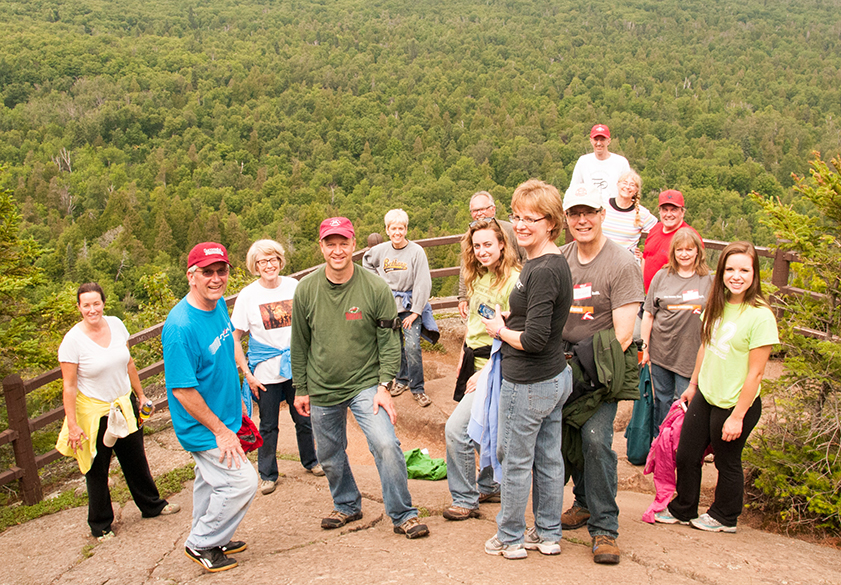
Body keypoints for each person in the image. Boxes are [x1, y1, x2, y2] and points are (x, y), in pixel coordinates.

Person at [291, 217, 429, 539]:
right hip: (322, 386)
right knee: (328, 454)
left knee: (385, 444)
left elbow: (389, 341)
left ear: (354, 245)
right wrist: (301, 388)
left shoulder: (374, 287)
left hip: (366, 383)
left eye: (343, 243)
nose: (337, 250)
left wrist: (384, 385)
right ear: (321, 246)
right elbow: (299, 342)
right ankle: (347, 504)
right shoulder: (306, 290)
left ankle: (403, 513)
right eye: (330, 243)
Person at [479, 179, 573, 559]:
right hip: (554, 377)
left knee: (514, 460)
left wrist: (500, 330)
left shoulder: (542, 269)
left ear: (551, 222)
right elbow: (541, 319)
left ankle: (511, 536)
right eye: (516, 216)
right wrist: (512, 315)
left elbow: (533, 339)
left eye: (530, 218)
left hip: (528, 380)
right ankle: (548, 534)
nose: (519, 225)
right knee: (549, 458)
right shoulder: (551, 262)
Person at [656, 241, 779, 533]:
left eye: (744, 270)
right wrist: (693, 384)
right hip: (707, 394)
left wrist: (738, 415)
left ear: (754, 274)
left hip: (735, 401)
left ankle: (725, 515)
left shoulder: (760, 315)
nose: (736, 276)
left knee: (727, 461)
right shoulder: (717, 304)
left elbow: (757, 373)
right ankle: (684, 507)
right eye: (730, 269)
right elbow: (705, 347)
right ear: (721, 271)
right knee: (686, 454)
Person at [560, 183, 644, 565]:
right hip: (563, 367)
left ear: (602, 215)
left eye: (588, 213)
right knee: (569, 438)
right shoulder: (561, 259)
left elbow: (624, 333)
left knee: (595, 440)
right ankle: (583, 501)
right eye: (575, 214)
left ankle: (605, 528)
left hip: (602, 370)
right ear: (566, 219)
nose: (582, 220)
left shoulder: (621, 263)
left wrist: (585, 368)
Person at [57, 283, 180, 541]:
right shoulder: (72, 341)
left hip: (124, 403)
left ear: (103, 303)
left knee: (136, 459)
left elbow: (129, 362)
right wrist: (73, 423)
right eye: (86, 305)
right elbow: (68, 386)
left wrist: (142, 395)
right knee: (97, 469)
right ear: (79, 307)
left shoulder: (116, 324)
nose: (92, 310)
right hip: (94, 412)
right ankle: (100, 524)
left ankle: (152, 505)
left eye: (96, 303)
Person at [163, 243, 258, 573]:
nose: (216, 278)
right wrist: (221, 431)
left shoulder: (215, 305)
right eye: (207, 272)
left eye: (222, 271)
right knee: (242, 482)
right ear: (192, 276)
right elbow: (182, 390)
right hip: (204, 427)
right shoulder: (180, 327)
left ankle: (216, 535)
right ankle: (202, 542)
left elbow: (229, 342)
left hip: (227, 416)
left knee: (211, 482)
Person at [231, 239, 323, 497]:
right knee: (268, 424)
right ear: (255, 265)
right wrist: (247, 374)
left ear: (280, 261)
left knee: (304, 418)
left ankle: (311, 461)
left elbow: (310, 323)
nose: (268, 265)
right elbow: (235, 337)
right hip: (265, 373)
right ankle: (267, 474)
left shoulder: (295, 287)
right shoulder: (248, 296)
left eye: (273, 260)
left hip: (296, 367)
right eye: (262, 261)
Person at [444, 218, 520, 521]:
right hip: (473, 357)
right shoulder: (478, 277)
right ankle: (489, 484)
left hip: (497, 364)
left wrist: (486, 371)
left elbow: (513, 332)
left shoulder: (514, 280)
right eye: (477, 246)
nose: (482, 251)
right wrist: (464, 357)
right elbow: (475, 323)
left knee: (457, 430)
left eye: (488, 244)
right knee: (483, 430)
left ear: (502, 244)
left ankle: (465, 497)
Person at [641, 228, 713, 426]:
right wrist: (645, 347)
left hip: (691, 352)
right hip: (662, 350)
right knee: (662, 401)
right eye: (680, 249)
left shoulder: (708, 279)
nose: (684, 254)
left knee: (685, 402)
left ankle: (680, 448)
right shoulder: (662, 276)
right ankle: (659, 445)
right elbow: (648, 313)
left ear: (698, 251)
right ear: (673, 252)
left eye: (689, 249)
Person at [362, 209, 433, 407]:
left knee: (412, 346)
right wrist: (379, 284)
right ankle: (401, 380)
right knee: (396, 346)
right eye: (393, 228)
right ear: (387, 229)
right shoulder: (381, 250)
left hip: (410, 305)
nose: (397, 232)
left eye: (400, 228)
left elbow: (422, 282)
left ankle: (417, 388)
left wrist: (417, 311)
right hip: (389, 305)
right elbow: (366, 261)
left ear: (406, 229)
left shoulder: (416, 252)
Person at [457, 191, 527, 319]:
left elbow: (526, 257)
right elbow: (465, 266)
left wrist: (522, 285)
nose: (479, 213)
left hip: (509, 288)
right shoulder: (470, 235)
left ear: (493, 209)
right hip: (482, 291)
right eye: (474, 210)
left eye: (482, 209)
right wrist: (463, 297)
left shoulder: (510, 230)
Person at [641, 189, 702, 292]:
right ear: (659, 211)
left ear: (682, 212)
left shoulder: (689, 236)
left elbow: (696, 272)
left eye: (673, 210)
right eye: (665, 210)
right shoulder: (655, 228)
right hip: (650, 296)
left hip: (673, 299)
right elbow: (645, 257)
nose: (668, 214)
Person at [602, 170, 657, 261]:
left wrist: (645, 254)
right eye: (624, 183)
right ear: (618, 184)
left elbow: (659, 231)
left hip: (627, 263)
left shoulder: (641, 213)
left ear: (636, 190)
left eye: (632, 185)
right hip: (602, 260)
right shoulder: (603, 205)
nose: (627, 187)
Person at [570, 124, 631, 202]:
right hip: (590, 209)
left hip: (613, 210)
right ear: (591, 140)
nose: (599, 143)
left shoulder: (621, 162)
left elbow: (628, 189)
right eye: (596, 139)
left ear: (608, 141)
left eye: (602, 139)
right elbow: (573, 188)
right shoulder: (583, 161)